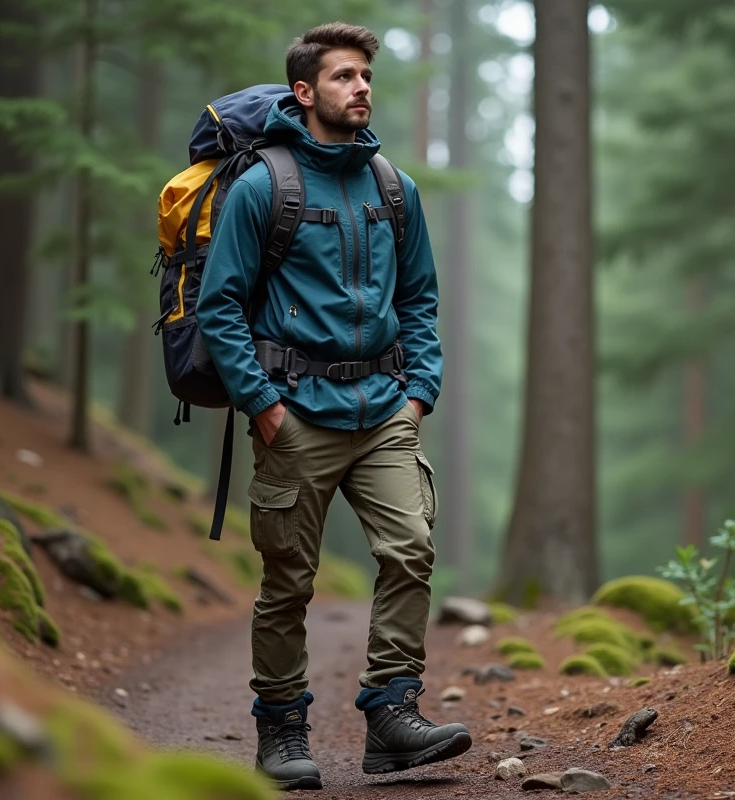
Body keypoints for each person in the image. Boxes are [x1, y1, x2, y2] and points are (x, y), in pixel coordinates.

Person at [195, 21, 471, 792]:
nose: (362, 89)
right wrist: (263, 406)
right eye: (345, 76)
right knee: (289, 581)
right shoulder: (264, 186)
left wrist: (420, 392)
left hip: (384, 408)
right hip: (296, 412)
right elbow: (220, 307)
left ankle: (392, 716)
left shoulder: (393, 185)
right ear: (305, 93)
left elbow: (420, 298)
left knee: (411, 548)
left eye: (366, 77)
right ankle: (281, 732)